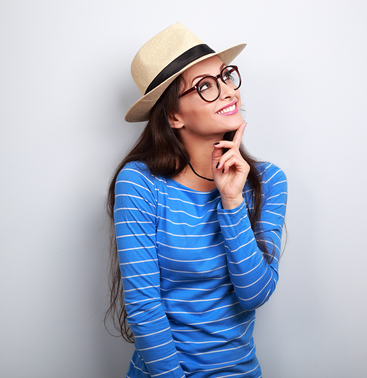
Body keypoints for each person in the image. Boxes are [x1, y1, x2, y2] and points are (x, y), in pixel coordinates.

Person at [106, 23, 287, 378]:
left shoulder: (267, 181)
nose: (226, 91)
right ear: (173, 115)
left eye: (225, 76)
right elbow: (144, 309)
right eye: (205, 86)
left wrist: (232, 200)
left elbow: (255, 295)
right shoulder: (141, 184)